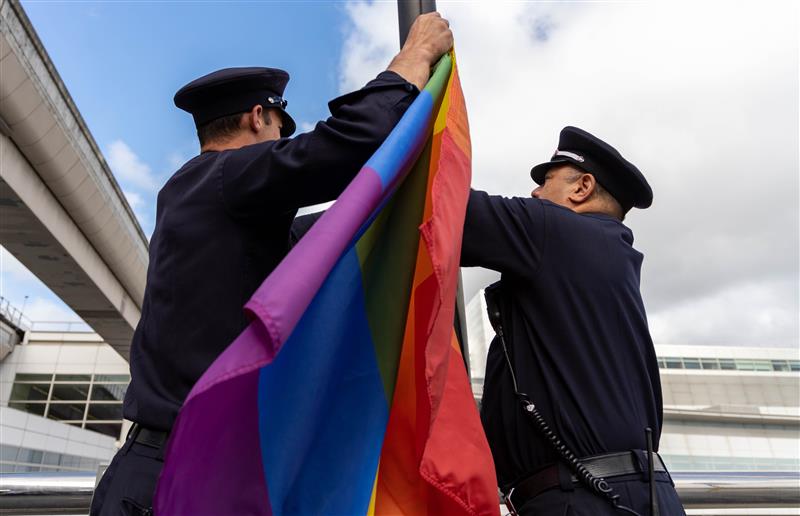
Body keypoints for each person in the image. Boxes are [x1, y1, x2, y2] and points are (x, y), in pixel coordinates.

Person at [89, 13, 453, 515]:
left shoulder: (197, 197)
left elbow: (311, 237)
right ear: (258, 117)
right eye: (281, 131)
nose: (282, 142)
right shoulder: (226, 179)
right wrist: (410, 60)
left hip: (164, 466)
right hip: (183, 474)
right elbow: (345, 146)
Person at [461, 126, 685, 515]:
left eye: (546, 181)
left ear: (582, 187)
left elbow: (442, 210)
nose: (534, 194)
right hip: (639, 495)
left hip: (583, 499)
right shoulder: (612, 254)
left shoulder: (553, 230)